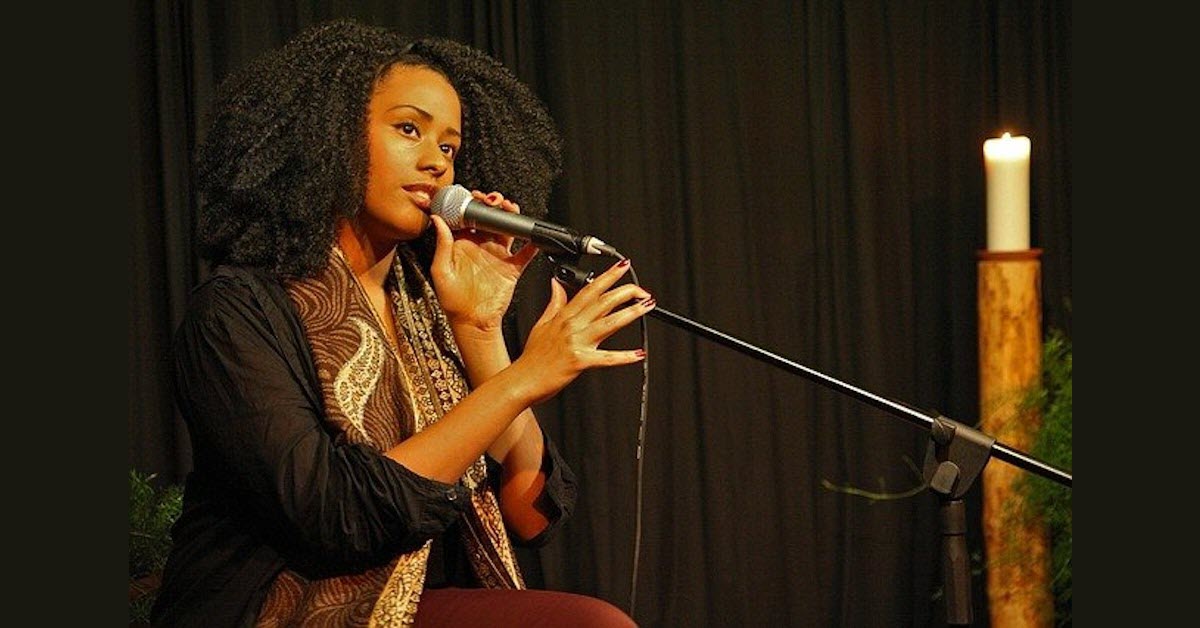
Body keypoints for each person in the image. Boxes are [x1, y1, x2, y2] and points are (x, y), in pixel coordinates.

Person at [150, 18, 651, 628]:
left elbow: (532, 516)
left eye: (449, 148)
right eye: (409, 129)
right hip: (275, 607)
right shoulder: (236, 312)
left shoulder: (429, 309)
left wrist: (479, 329)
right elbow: (333, 514)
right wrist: (524, 378)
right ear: (329, 136)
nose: (436, 163)